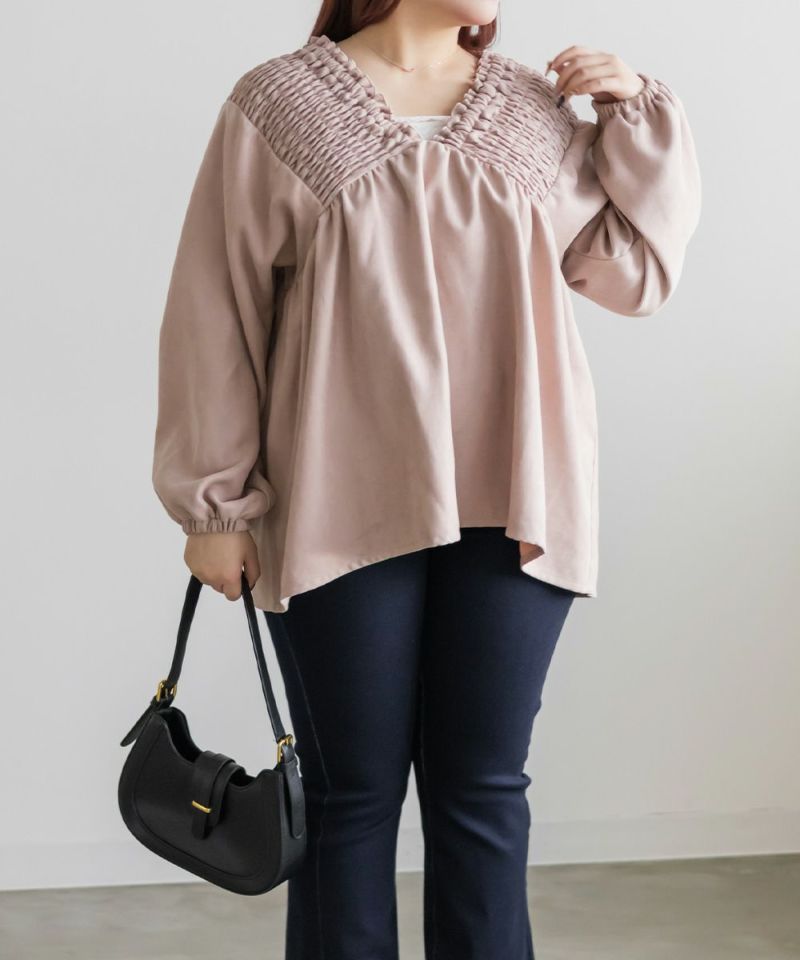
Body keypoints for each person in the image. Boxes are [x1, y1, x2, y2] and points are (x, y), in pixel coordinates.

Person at [150, 1, 701, 957]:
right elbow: (216, 301)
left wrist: (634, 117)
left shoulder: (536, 108)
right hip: (336, 496)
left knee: (483, 790)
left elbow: (634, 277)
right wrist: (214, 504)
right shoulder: (279, 104)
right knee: (348, 797)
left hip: (518, 495)